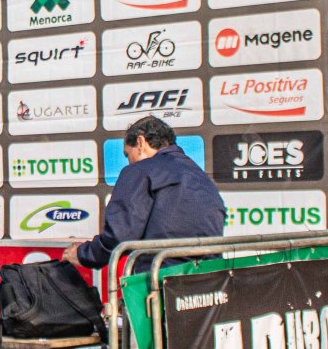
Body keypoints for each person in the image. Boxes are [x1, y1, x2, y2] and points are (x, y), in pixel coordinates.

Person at [61, 116, 225, 274]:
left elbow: (120, 235)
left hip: (160, 280)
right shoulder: (199, 175)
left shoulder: (140, 170)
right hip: (208, 279)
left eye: (127, 154)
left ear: (140, 142)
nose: (129, 161)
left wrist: (83, 254)